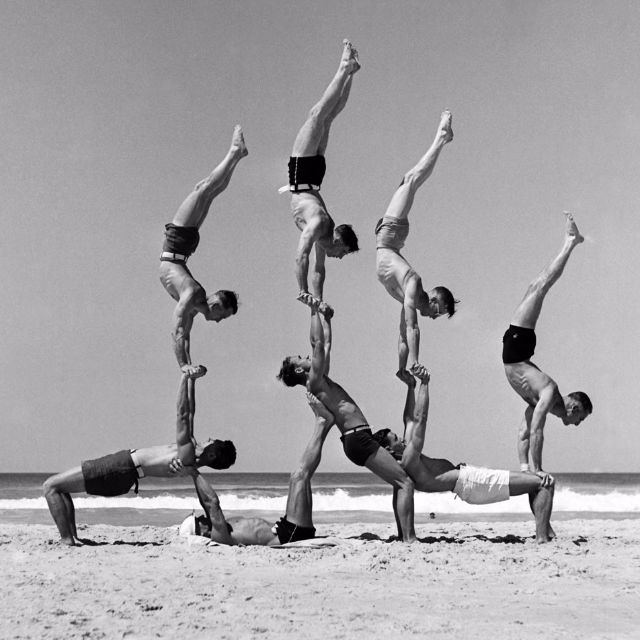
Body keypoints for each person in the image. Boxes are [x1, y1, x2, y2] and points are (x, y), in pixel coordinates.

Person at [43, 370, 236, 545]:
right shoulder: (189, 453)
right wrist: (192, 381)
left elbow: (182, 414)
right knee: (61, 488)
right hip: (125, 469)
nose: (208, 438)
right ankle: (72, 537)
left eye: (212, 441)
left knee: (51, 486)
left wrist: (183, 377)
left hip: (121, 468)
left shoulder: (187, 456)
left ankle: (67, 540)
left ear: (211, 454)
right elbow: (191, 412)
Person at [277, 310, 416, 542]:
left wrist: (327, 319)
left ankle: (404, 536)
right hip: (357, 438)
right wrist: (313, 310)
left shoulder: (320, 380)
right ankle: (410, 539)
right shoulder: (314, 381)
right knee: (405, 482)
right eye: (300, 357)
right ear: (299, 370)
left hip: (358, 438)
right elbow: (318, 344)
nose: (306, 356)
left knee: (399, 481)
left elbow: (325, 344)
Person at [373, 370, 556, 544]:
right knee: (544, 483)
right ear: (389, 450)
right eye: (396, 439)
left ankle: (547, 532)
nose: (401, 439)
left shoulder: (400, 467)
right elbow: (421, 419)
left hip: (468, 482)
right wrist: (425, 383)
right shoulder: (409, 458)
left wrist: (410, 387)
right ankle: (542, 537)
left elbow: (409, 419)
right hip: (472, 482)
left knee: (533, 482)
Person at [174, 392, 334, 546]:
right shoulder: (218, 535)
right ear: (199, 531)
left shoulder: (217, 525)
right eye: (198, 520)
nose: (201, 517)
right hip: (289, 535)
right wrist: (193, 472)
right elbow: (212, 502)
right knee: (299, 476)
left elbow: (205, 503)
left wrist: (193, 473)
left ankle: (325, 423)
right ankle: (322, 422)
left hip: (286, 527)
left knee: (298, 477)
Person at [502, 212, 592, 476]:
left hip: (516, 349)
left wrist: (525, 469)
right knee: (541, 286)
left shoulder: (542, 400)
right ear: (574, 407)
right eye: (580, 419)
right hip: (517, 348)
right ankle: (570, 242)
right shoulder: (549, 393)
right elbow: (537, 431)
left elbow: (523, 432)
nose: (576, 424)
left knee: (537, 286)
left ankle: (571, 242)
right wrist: (539, 469)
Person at [159, 125, 248, 377]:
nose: (218, 321)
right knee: (204, 189)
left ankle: (237, 155)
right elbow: (177, 328)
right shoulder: (193, 294)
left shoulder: (194, 305)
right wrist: (183, 365)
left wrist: (188, 366)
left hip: (182, 247)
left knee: (208, 191)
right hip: (177, 244)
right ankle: (234, 153)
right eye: (222, 316)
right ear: (216, 304)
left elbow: (184, 334)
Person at [375, 111, 457, 379]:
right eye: (437, 311)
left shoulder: (407, 296)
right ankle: (441, 137)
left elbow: (402, 333)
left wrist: (402, 369)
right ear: (433, 299)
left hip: (390, 239)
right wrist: (416, 361)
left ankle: (442, 138)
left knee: (412, 179)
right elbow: (412, 328)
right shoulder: (413, 284)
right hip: (390, 235)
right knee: (411, 180)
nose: (432, 317)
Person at [282, 39, 361, 318]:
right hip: (303, 176)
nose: (338, 257)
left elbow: (318, 270)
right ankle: (344, 67)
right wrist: (302, 290)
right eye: (343, 253)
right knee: (317, 115)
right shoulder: (319, 224)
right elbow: (300, 254)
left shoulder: (323, 235)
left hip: (312, 177)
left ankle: (351, 72)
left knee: (327, 118)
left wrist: (318, 300)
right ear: (339, 241)